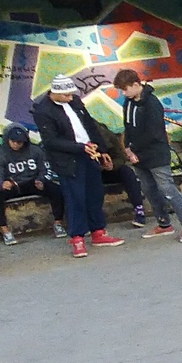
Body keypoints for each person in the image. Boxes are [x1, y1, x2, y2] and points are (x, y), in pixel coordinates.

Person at [32, 73, 124, 256]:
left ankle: (98, 231)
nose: (70, 97)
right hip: (68, 160)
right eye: (66, 95)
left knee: (95, 194)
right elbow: (51, 141)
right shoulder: (43, 111)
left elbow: (90, 126)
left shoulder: (75, 102)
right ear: (55, 93)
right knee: (75, 198)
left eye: (71, 94)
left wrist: (102, 149)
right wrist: (80, 147)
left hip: (90, 153)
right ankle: (77, 237)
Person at [110, 70, 182, 240]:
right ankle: (164, 224)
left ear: (136, 84)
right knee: (149, 189)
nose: (123, 93)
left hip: (156, 154)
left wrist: (134, 149)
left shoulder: (152, 103)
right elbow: (128, 126)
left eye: (125, 89)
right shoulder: (129, 103)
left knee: (167, 189)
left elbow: (154, 133)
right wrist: (127, 148)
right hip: (137, 155)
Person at [0, 123, 62, 243]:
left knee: (57, 190)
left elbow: (46, 169)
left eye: (19, 142)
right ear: (8, 140)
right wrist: (1, 184)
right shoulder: (0, 154)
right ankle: (5, 231)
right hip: (13, 185)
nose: (16, 144)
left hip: (33, 183)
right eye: (13, 141)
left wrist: (42, 179)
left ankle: (58, 223)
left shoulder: (36, 151)